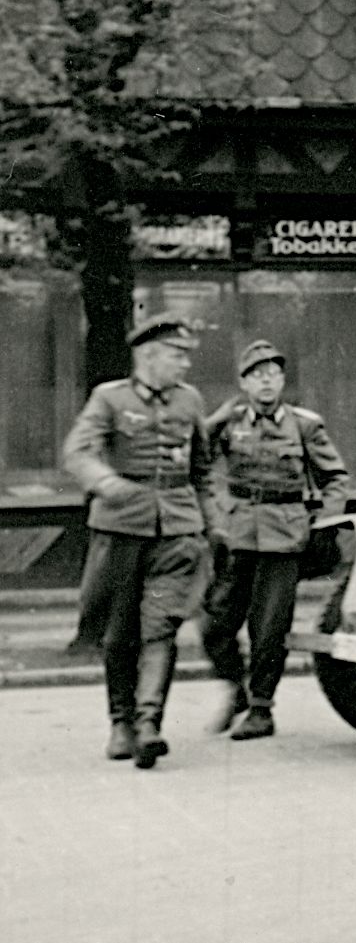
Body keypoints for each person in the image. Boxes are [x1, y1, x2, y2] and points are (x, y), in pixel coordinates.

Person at [62, 312, 221, 768]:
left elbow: (202, 469)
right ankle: (120, 723)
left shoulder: (190, 401)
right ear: (148, 355)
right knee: (119, 633)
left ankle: (150, 725)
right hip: (120, 530)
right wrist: (104, 482)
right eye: (177, 355)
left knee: (162, 626)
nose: (186, 364)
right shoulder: (109, 398)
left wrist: (213, 525)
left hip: (176, 532)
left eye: (187, 355)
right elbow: (78, 451)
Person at [202, 340, 349, 741]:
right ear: (243, 383)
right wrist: (215, 513)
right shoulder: (229, 422)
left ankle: (263, 710)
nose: (266, 382)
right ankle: (237, 690)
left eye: (273, 374)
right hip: (237, 535)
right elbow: (199, 460)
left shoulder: (304, 425)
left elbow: (336, 478)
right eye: (256, 375)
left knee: (268, 628)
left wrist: (321, 522)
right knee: (214, 625)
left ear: (282, 380)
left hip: (284, 537)